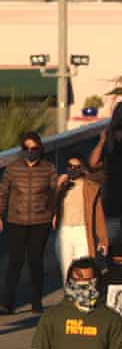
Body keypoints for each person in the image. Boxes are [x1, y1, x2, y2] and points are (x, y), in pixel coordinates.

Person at [0, 132, 58, 314]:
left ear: (40, 148)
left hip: (41, 221)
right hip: (16, 221)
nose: (30, 152)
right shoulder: (12, 169)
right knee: (15, 262)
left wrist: (55, 213)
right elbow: (3, 193)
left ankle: (36, 302)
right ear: (22, 149)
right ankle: (7, 303)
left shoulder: (49, 168)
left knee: (35, 261)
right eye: (26, 148)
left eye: (34, 148)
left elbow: (54, 193)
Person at [53, 154, 108, 283]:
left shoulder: (90, 187)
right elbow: (49, 206)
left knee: (84, 268)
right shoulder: (62, 185)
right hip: (65, 231)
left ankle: (85, 296)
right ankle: (69, 297)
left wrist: (103, 238)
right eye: (70, 166)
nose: (72, 169)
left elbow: (98, 214)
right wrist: (58, 186)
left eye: (76, 167)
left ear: (82, 169)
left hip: (82, 231)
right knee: (66, 269)